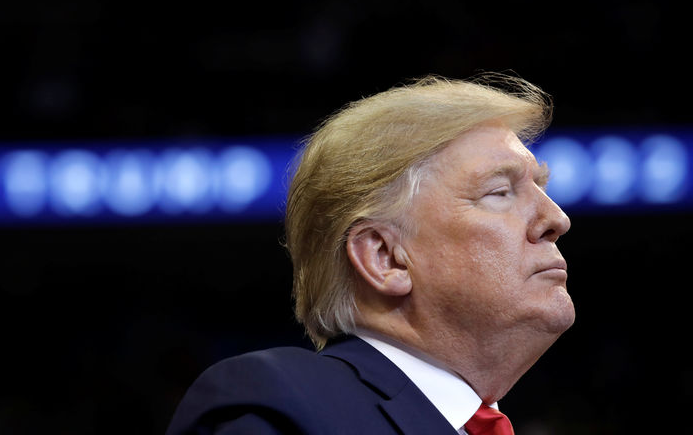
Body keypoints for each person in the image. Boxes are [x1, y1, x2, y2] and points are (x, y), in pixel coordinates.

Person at [166, 74, 574, 434]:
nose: (556, 218)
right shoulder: (282, 404)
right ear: (385, 258)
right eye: (499, 192)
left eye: (541, 187)